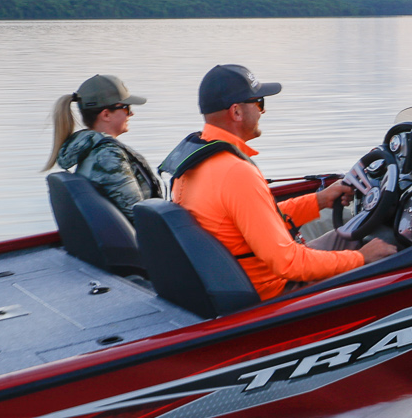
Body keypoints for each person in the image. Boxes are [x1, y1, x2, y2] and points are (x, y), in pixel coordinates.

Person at [164, 64, 397, 301]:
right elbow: (288, 264)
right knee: (385, 250)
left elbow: (257, 219)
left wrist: (319, 200)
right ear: (236, 112)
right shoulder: (236, 172)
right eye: (259, 103)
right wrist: (362, 258)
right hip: (275, 291)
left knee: (352, 236)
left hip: (239, 278)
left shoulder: (195, 162)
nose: (263, 111)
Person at [45, 73, 161, 220]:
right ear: (106, 115)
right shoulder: (108, 157)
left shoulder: (90, 150)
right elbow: (137, 214)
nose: (131, 113)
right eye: (126, 108)